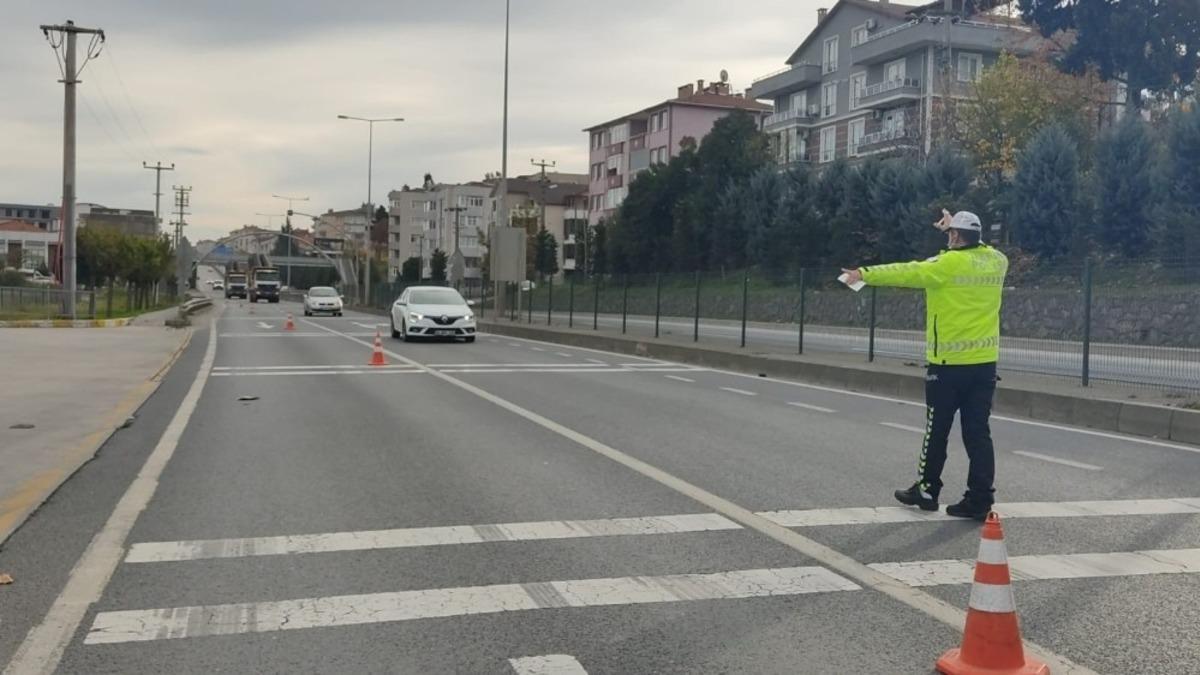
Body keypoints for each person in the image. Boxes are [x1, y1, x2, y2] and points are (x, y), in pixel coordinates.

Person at [841, 210, 1008, 520]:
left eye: (949, 235)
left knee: (937, 431)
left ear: (956, 237)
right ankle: (980, 499)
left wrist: (864, 273)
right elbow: (975, 249)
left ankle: (928, 490)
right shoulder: (999, 261)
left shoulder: (945, 265)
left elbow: (907, 271)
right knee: (978, 434)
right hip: (984, 365)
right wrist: (955, 229)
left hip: (947, 366)